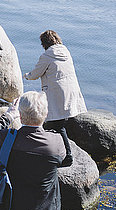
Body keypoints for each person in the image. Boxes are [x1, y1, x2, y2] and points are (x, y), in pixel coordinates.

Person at [24, 30, 87, 163]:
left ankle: (67, 156)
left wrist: (26, 76)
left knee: (56, 126)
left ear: (44, 43)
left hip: (57, 95)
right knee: (55, 124)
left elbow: (36, 73)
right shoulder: (66, 52)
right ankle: (52, 152)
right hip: (71, 92)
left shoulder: (46, 56)